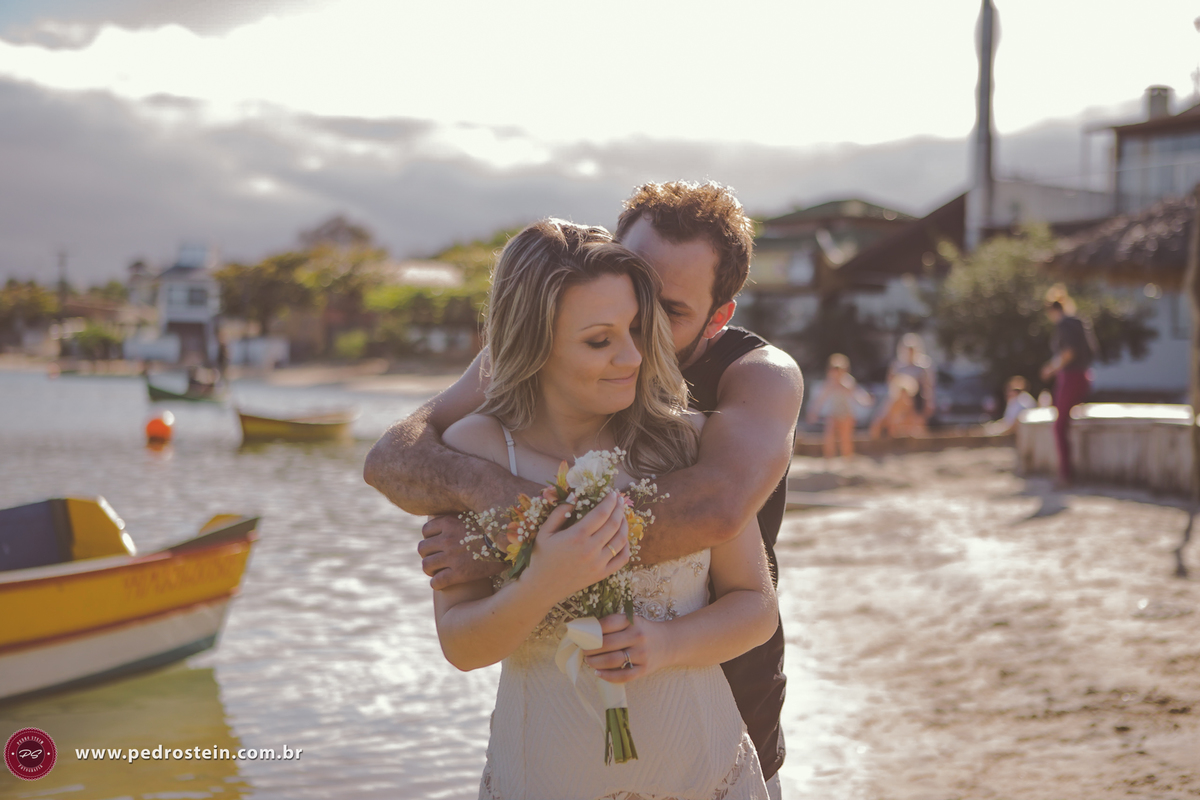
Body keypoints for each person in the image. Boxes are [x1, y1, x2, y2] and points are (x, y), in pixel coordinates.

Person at [364, 181, 803, 797]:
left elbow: (718, 507)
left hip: (724, 712)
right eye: (627, 293)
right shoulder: (522, 372)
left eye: (663, 310)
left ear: (717, 316)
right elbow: (395, 454)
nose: (637, 335)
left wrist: (507, 544)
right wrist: (492, 495)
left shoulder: (751, 382)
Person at [1040, 290, 1097, 487]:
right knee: (1068, 424)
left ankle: (1065, 474)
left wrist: (1050, 368)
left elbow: (1068, 353)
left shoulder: (1064, 324)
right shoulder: (1079, 322)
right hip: (1084, 376)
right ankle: (1069, 471)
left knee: (1059, 425)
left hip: (1071, 377)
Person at [806, 353, 871, 458]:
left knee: (845, 438)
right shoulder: (829, 383)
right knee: (829, 436)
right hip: (833, 413)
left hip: (846, 413)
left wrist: (865, 401)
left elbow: (856, 394)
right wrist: (813, 412)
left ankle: (847, 458)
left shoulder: (848, 381)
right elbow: (821, 399)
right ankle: (829, 459)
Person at [887, 333, 936, 424]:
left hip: (918, 399)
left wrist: (929, 401)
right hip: (901, 399)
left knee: (918, 422)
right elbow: (891, 384)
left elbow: (928, 386)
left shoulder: (923, 366)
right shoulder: (897, 366)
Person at [869, 373, 924, 440]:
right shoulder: (894, 401)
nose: (903, 394)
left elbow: (912, 416)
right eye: (902, 392)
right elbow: (889, 417)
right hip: (885, 424)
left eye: (905, 392)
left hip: (897, 424)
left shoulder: (909, 403)